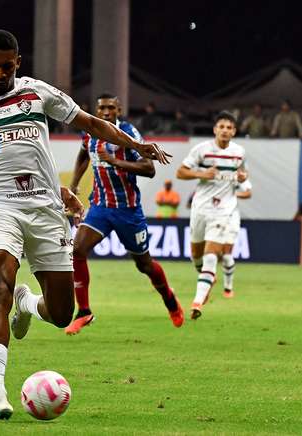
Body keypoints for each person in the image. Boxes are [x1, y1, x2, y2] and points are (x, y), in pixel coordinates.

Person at [0, 30, 171, 419]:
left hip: (46, 212)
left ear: (18, 63)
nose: (0, 74)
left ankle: (28, 303)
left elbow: (91, 123)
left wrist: (135, 144)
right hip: (2, 209)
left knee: (61, 314)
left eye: (7, 67)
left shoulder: (37, 92)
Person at [65, 92, 183, 336]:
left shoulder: (128, 133)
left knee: (145, 265)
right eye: (102, 108)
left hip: (127, 210)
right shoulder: (90, 131)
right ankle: (84, 311)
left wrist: (116, 162)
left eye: (110, 108)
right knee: (77, 249)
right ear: (97, 111)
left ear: (118, 110)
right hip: (100, 207)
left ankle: (169, 299)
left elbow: (149, 169)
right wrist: (75, 184)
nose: (106, 112)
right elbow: (84, 153)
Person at [176, 111, 248, 320]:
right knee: (196, 257)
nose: (225, 130)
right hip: (200, 209)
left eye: (229, 127)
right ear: (215, 129)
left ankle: (197, 303)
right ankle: (207, 280)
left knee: (210, 257)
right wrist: (201, 174)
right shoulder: (202, 150)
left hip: (223, 211)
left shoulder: (239, 152)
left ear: (234, 131)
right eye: (222, 127)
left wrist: (243, 176)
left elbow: (243, 174)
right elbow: (180, 172)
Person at [219, 180, 252, 299]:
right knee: (211, 255)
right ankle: (207, 278)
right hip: (212, 216)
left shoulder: (237, 173)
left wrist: (233, 194)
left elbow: (248, 193)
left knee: (226, 255)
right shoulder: (211, 171)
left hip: (231, 218)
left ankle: (228, 287)